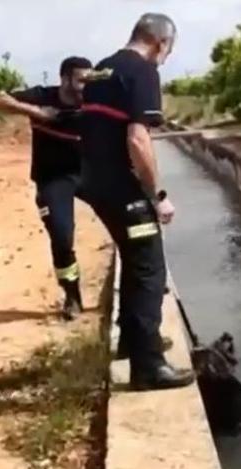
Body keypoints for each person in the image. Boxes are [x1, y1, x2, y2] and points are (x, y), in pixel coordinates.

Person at [78, 13, 194, 390]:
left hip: (95, 184)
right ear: (160, 42)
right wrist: (158, 196)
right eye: (168, 50)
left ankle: (131, 341)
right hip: (124, 188)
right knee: (149, 270)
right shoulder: (142, 71)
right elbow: (138, 140)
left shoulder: (100, 71)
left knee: (133, 257)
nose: (165, 57)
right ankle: (148, 368)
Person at [0, 56, 93, 321]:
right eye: (81, 79)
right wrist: (38, 112)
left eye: (89, 80)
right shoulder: (40, 95)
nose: (85, 86)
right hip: (53, 178)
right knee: (61, 237)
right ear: (65, 78)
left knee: (127, 217)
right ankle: (72, 296)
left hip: (90, 173)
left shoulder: (93, 99)